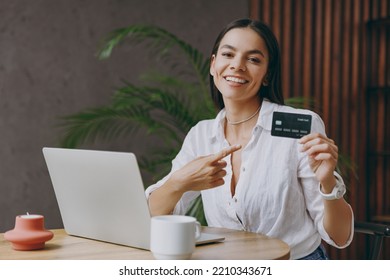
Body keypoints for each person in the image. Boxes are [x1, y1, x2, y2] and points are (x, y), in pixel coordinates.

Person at [145, 18, 354, 260]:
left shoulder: (300, 126)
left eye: (253, 59)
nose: (237, 65)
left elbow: (339, 236)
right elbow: (152, 214)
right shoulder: (201, 135)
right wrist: (178, 182)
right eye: (228, 54)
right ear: (213, 65)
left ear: (267, 75)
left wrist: (327, 182)